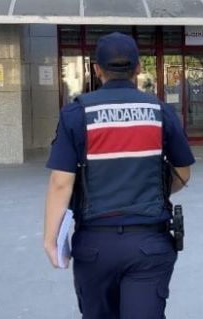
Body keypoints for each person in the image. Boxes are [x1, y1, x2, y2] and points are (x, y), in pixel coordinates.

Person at [43, 32, 195, 319]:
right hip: (149, 243)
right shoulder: (160, 111)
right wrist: (153, 191)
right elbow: (183, 173)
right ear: (138, 68)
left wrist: (51, 239)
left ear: (97, 70)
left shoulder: (76, 114)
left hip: (95, 245)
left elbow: (61, 182)